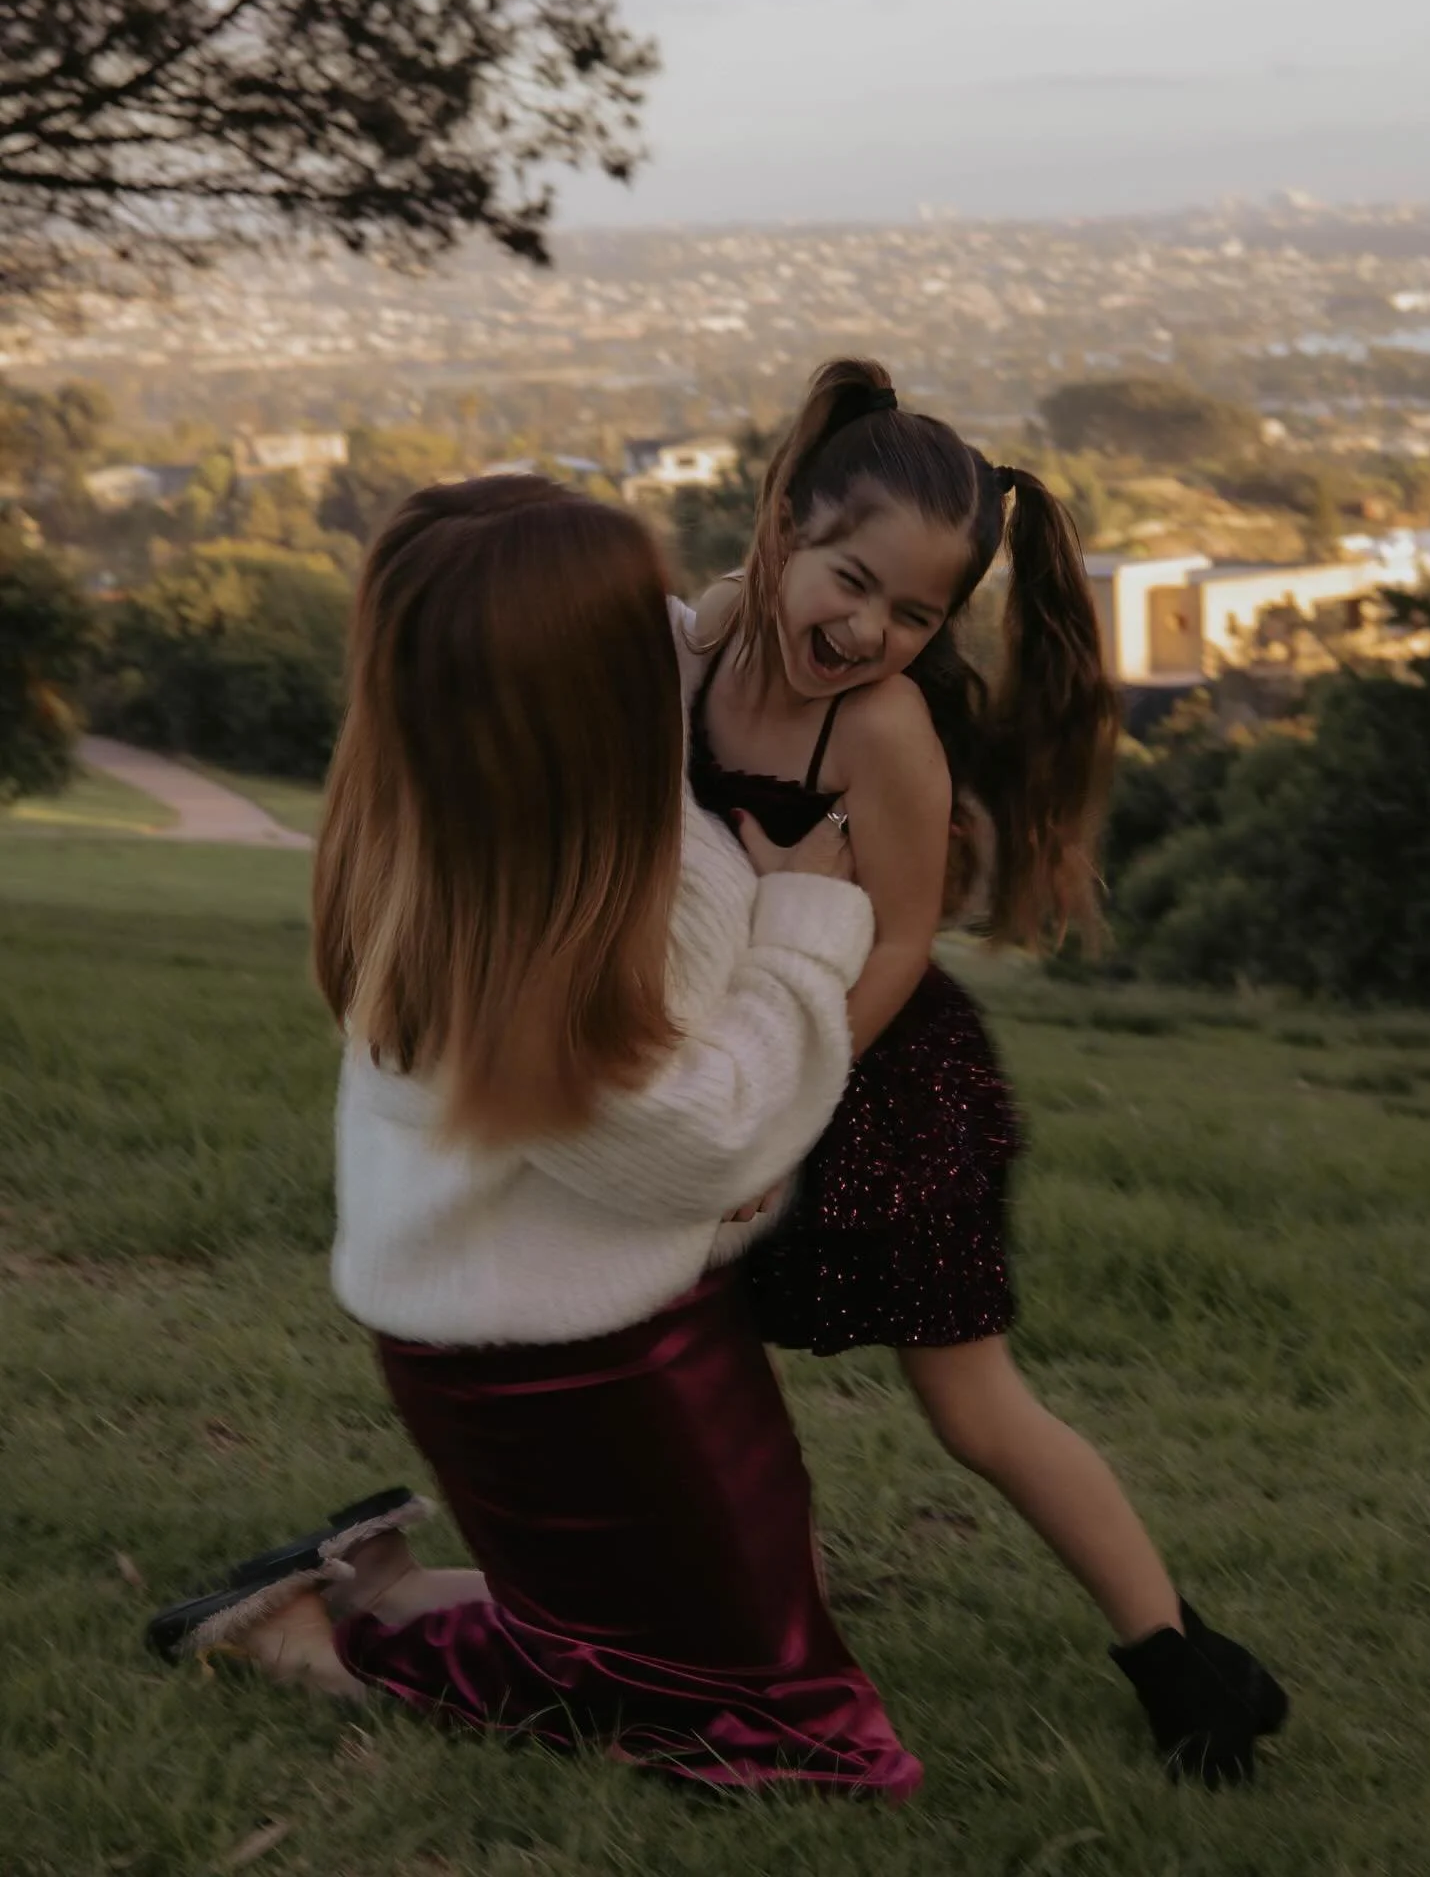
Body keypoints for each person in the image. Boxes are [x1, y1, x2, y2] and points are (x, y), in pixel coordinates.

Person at [145, 475, 921, 1801]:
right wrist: (802, 927)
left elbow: (623, 653)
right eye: (644, 627)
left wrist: (739, 611)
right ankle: (323, 1644)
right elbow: (702, 1143)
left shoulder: (435, 826)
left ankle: (385, 1590)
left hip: (496, 1328)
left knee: (679, 1620)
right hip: (587, 1364)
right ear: (587, 687)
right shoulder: (622, 899)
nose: (671, 641)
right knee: (791, 1734)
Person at [687, 358, 1289, 1787]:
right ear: (784, 526)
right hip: (728, 1063)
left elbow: (899, 944)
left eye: (915, 614)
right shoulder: (705, 639)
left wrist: (787, 1104)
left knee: (974, 1409)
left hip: (879, 1081)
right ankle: (690, 1632)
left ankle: (1179, 1661)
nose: (870, 629)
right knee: (679, 1368)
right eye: (850, 580)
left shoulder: (882, 728)